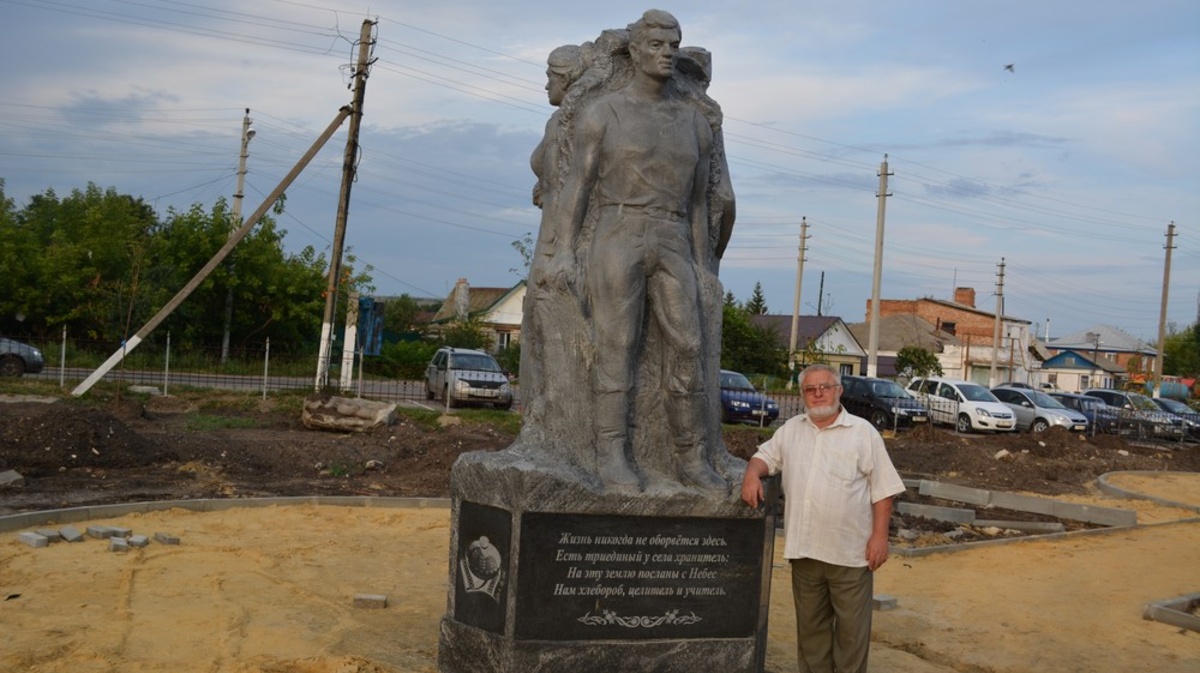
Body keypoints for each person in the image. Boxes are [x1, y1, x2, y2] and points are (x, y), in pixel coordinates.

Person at [544, 9, 724, 492]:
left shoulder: (694, 123)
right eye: (657, 45)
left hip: (672, 237)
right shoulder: (603, 112)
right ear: (635, 50)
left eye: (673, 46)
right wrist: (564, 251)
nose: (666, 53)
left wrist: (704, 264)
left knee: (688, 345)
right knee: (617, 346)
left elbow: (698, 204)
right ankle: (611, 455)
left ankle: (691, 459)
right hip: (616, 229)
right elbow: (576, 186)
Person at [740, 364, 906, 673]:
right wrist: (752, 473)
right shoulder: (791, 430)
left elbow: (884, 489)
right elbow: (764, 456)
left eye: (825, 387)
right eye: (810, 389)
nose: (818, 394)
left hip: (850, 555)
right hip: (805, 555)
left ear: (839, 390)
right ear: (803, 394)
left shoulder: (863, 433)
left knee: (851, 638)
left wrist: (880, 537)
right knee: (811, 637)